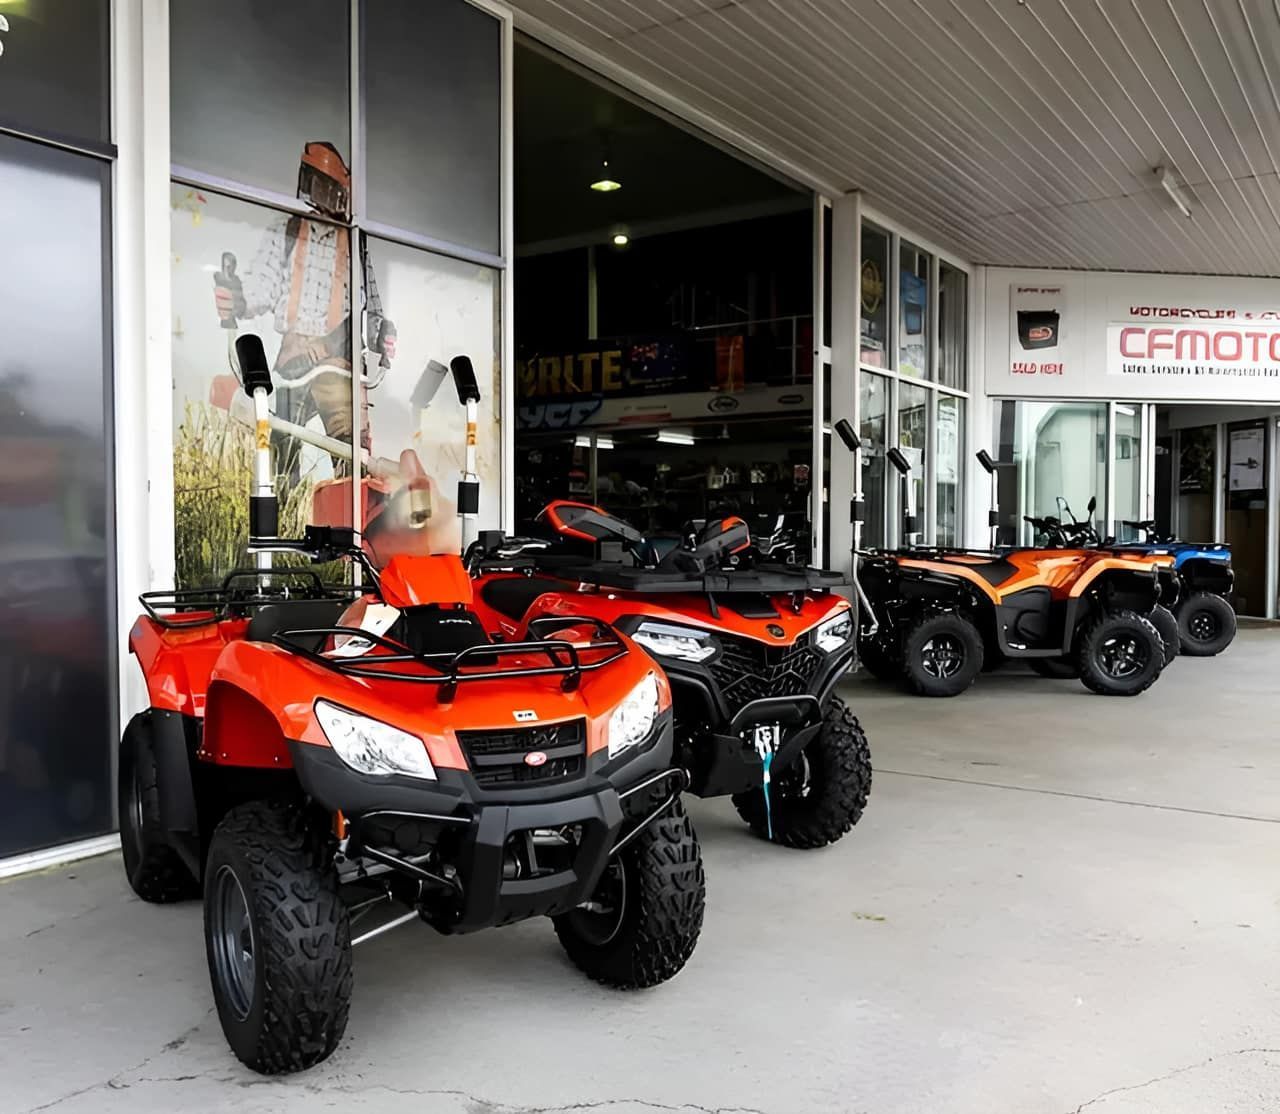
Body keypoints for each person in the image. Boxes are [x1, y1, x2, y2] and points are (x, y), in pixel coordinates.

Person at [214, 141, 395, 477]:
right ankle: (283, 513)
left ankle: (349, 518)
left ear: (340, 192)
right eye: (312, 183)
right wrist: (237, 297)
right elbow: (262, 285)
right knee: (279, 449)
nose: (317, 193)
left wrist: (381, 334)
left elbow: (370, 310)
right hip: (293, 360)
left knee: (352, 458)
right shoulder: (289, 230)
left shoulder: (356, 243)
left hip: (338, 363)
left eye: (324, 186)